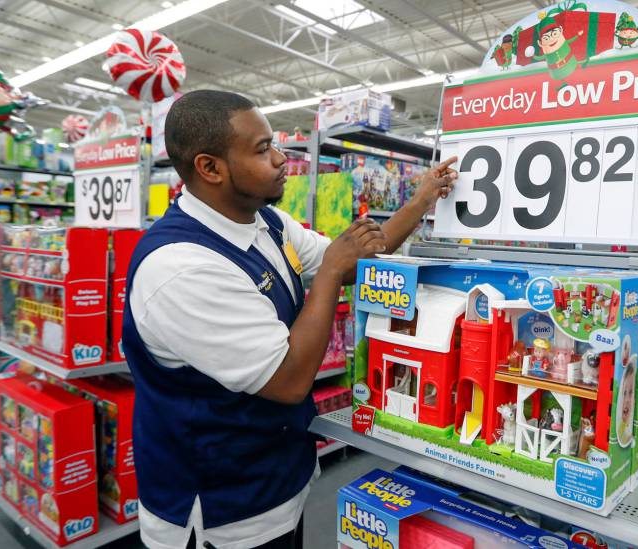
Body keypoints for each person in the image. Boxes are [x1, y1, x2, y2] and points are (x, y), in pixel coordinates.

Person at [123, 90, 457, 549]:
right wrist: (330, 275)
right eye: (262, 150)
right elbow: (288, 380)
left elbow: (361, 258)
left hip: (275, 481)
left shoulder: (265, 223)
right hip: (222, 514)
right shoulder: (181, 268)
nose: (282, 159)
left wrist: (420, 201)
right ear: (210, 168)